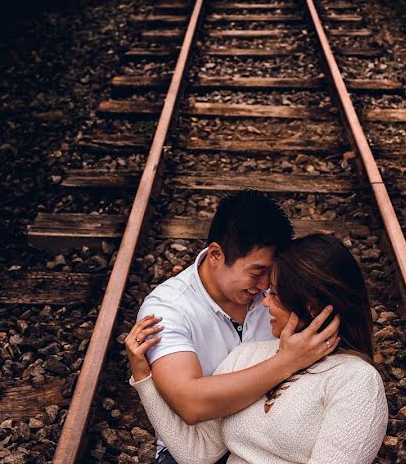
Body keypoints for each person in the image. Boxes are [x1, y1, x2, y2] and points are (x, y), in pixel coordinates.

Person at [127, 233, 389, 464]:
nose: (264, 302)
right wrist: (143, 378)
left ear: (310, 308)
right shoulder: (249, 355)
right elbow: (198, 453)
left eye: (274, 294)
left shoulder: (355, 380)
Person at [134, 190, 342, 463]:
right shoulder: (166, 310)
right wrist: (287, 361)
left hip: (270, 437)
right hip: (198, 446)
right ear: (216, 255)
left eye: (271, 271)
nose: (266, 285)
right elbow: (191, 404)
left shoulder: (276, 295)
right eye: (257, 272)